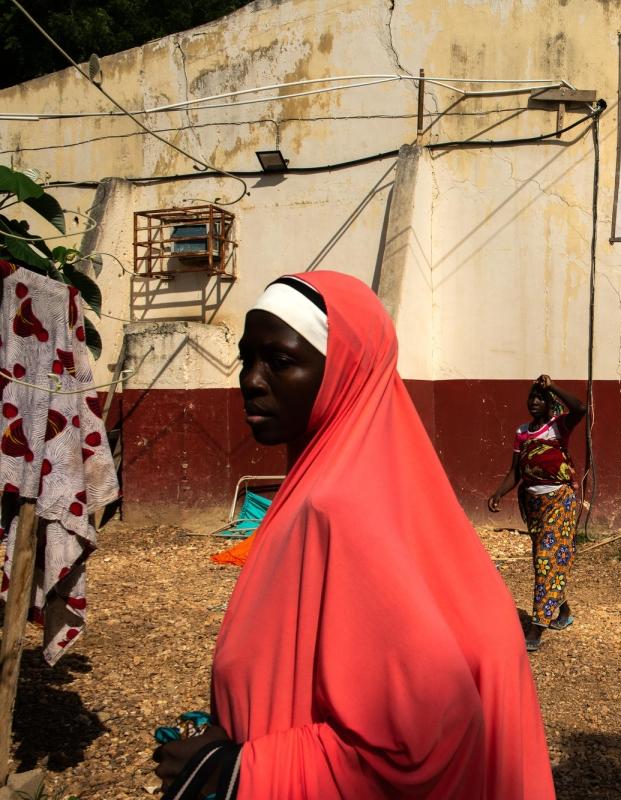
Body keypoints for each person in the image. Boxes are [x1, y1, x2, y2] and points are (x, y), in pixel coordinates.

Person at [153, 273, 554, 798]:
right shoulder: (370, 482)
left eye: (279, 361)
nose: (250, 379)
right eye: (245, 359)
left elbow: (420, 734)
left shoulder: (339, 505)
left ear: (343, 371)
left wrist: (232, 770)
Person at [488, 375, 587, 653]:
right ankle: (563, 612)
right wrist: (498, 493)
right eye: (531, 397)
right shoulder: (522, 431)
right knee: (544, 559)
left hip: (560, 502)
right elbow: (515, 471)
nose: (534, 401)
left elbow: (580, 409)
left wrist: (552, 386)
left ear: (549, 403)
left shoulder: (558, 427)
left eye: (540, 398)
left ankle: (537, 627)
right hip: (533, 504)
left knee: (546, 558)